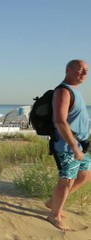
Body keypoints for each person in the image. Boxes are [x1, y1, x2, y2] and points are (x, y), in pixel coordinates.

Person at [46, 59, 91, 231]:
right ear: (68, 70)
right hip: (67, 146)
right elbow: (60, 121)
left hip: (80, 145)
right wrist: (73, 147)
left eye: (87, 70)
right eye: (81, 70)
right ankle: (54, 215)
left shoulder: (75, 90)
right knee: (67, 180)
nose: (85, 73)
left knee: (85, 175)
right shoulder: (63, 91)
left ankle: (53, 202)